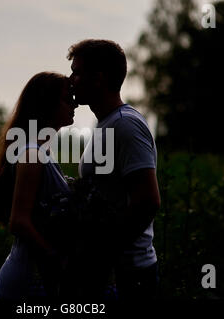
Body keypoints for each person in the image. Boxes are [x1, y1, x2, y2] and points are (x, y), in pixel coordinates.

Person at [67, 39, 161, 300]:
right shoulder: (107, 124)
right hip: (114, 270)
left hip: (131, 275)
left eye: (77, 72)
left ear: (98, 78)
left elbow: (148, 202)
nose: (71, 79)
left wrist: (102, 254)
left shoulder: (126, 126)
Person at [0, 72, 78, 300]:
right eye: (67, 99)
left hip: (37, 275)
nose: (75, 104)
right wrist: (56, 259)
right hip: (27, 277)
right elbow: (19, 222)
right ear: (47, 104)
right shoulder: (32, 155)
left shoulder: (42, 152)